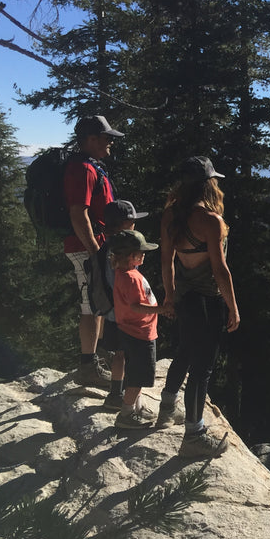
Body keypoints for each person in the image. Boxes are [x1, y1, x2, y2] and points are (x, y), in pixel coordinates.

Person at [160, 156, 240, 459]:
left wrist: (170, 296)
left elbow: (166, 260)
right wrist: (233, 307)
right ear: (209, 183)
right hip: (208, 300)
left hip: (185, 297)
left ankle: (167, 406)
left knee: (185, 350)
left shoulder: (171, 215)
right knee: (202, 367)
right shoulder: (210, 220)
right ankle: (194, 433)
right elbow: (221, 271)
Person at [64, 115, 122, 389]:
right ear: (91, 140)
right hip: (85, 248)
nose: (111, 142)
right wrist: (95, 252)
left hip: (90, 246)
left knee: (96, 303)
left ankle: (93, 359)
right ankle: (88, 366)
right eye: (106, 137)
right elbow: (79, 214)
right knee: (91, 305)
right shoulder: (84, 170)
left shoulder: (89, 167)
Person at [110, 229, 163, 429]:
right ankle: (126, 414)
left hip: (130, 331)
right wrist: (163, 309)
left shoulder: (124, 273)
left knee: (135, 373)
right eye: (141, 252)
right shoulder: (131, 278)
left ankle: (138, 407)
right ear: (132, 256)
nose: (144, 255)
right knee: (138, 377)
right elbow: (136, 306)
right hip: (140, 333)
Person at [100, 200, 150, 411]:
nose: (135, 225)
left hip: (110, 311)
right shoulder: (119, 249)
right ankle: (128, 402)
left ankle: (115, 392)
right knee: (131, 355)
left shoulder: (105, 246)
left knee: (118, 354)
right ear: (121, 224)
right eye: (132, 222)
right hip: (124, 313)